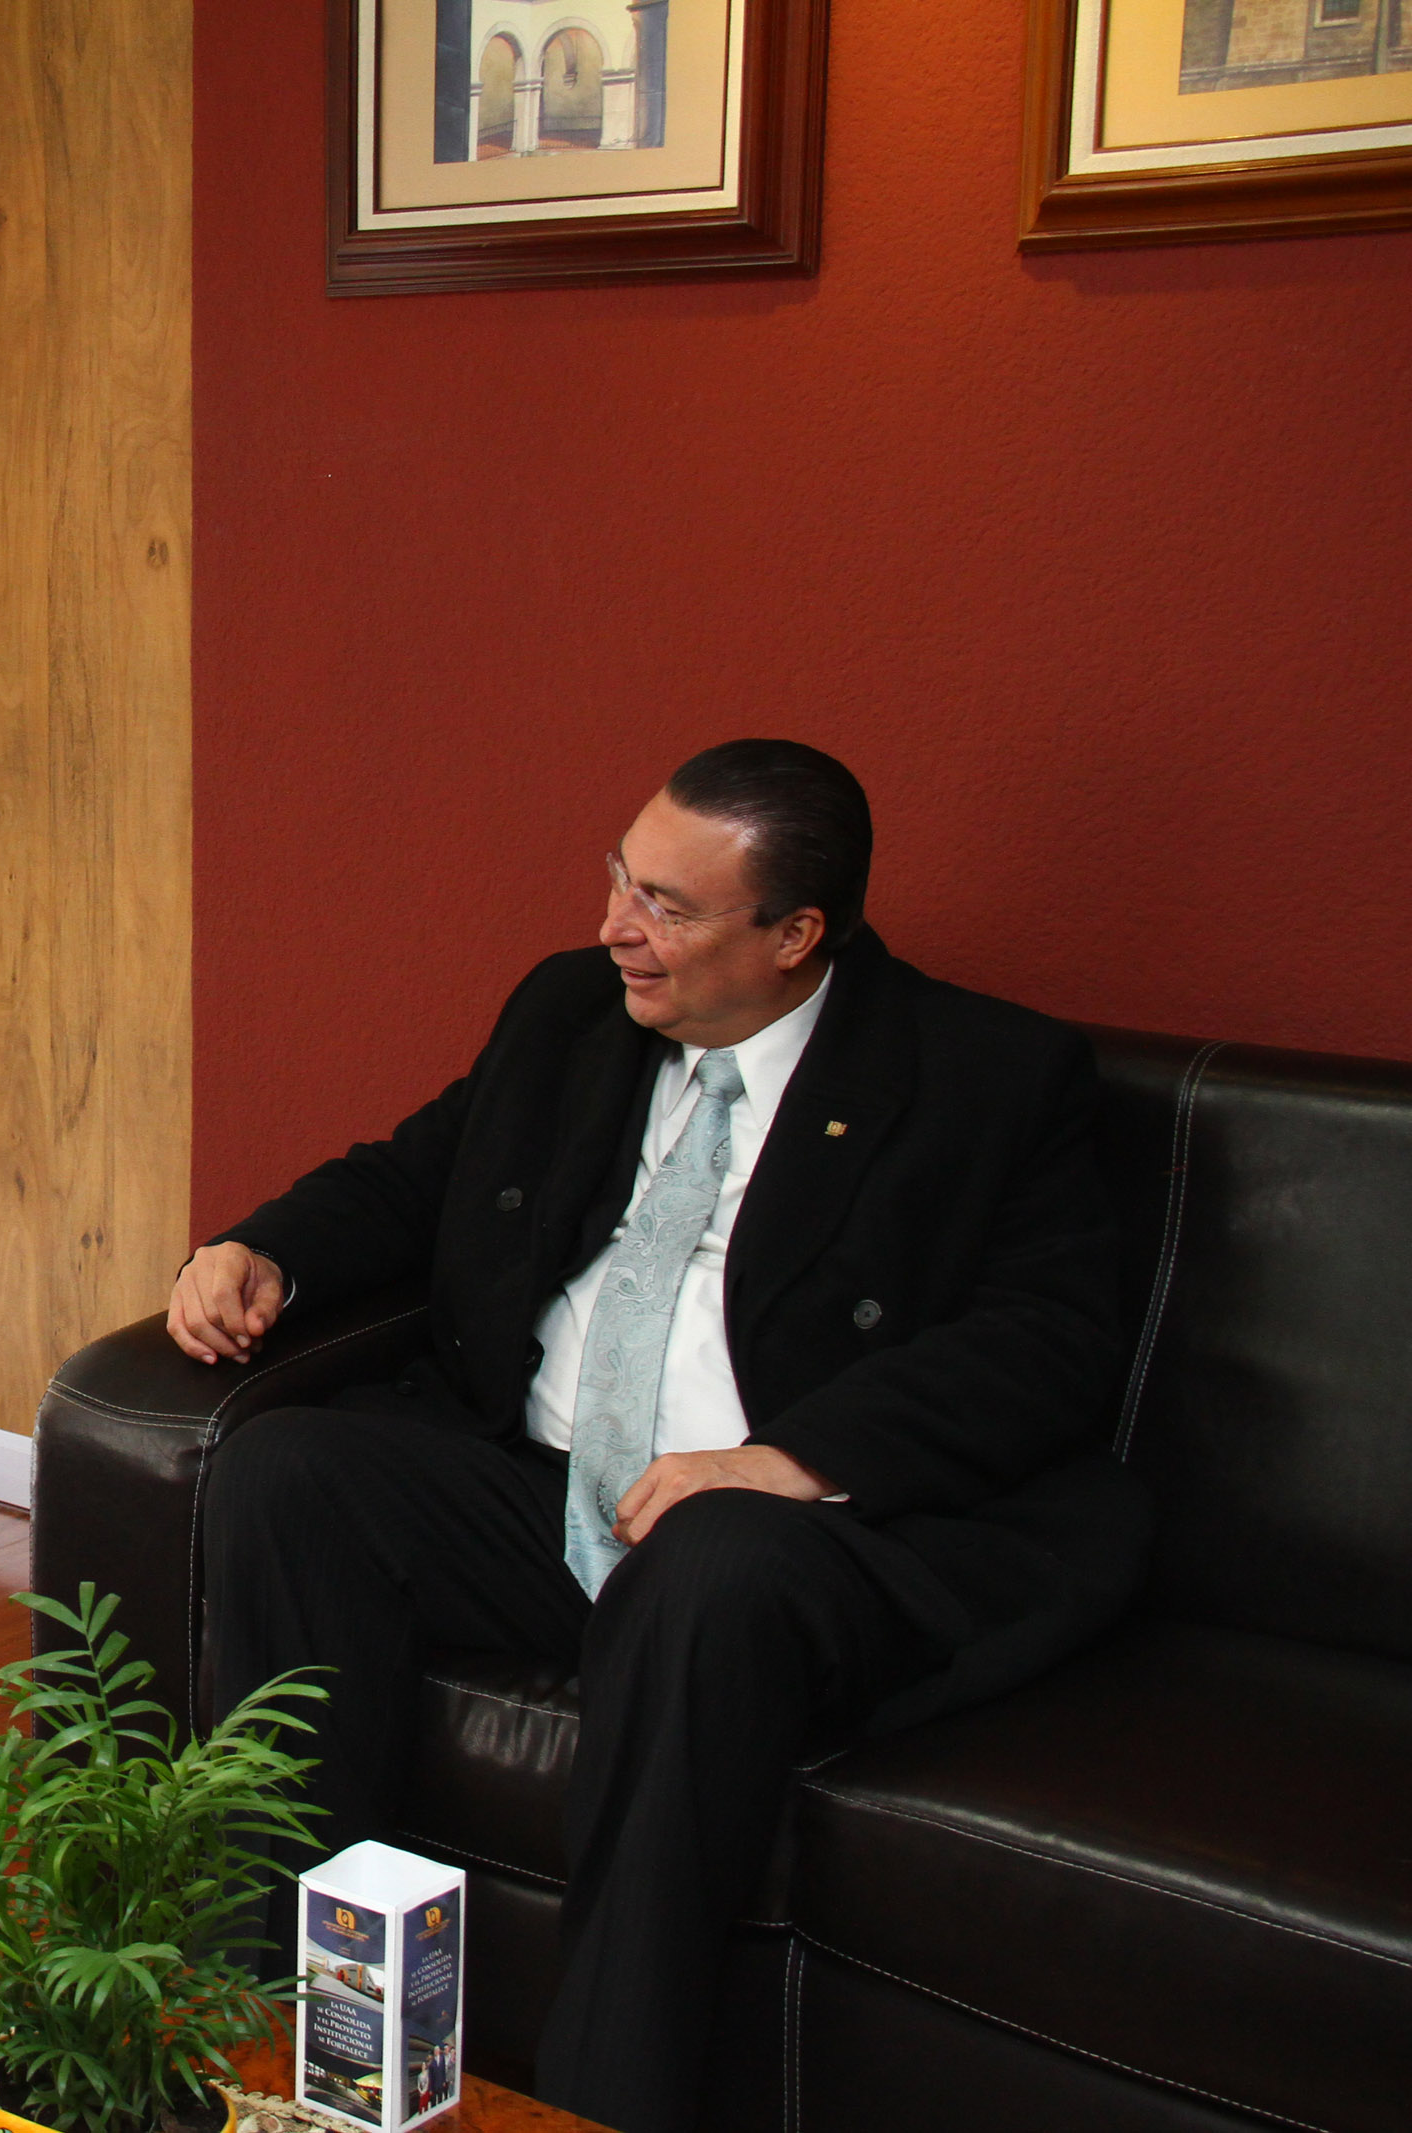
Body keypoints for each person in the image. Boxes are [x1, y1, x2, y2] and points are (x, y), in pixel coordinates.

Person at [175, 741, 1145, 2133]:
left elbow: (1050, 1340)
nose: (616, 926)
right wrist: (263, 1246)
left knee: (709, 1565)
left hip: (786, 1542)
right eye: (621, 879)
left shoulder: (987, 1074)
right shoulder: (573, 1010)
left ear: (795, 933)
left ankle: (601, 2107)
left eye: (667, 906)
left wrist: (784, 1461)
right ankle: (265, 2032)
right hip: (553, 1490)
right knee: (288, 1471)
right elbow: (418, 1172)